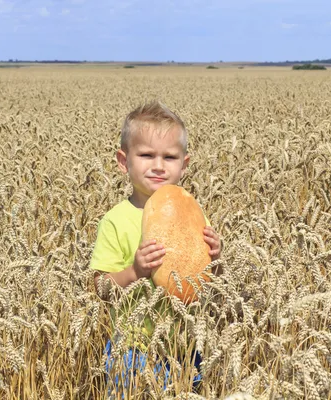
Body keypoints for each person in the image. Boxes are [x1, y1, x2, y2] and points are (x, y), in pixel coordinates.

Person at [90, 100, 222, 394]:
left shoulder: (193, 213)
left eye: (170, 157)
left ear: (184, 165)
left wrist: (216, 257)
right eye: (147, 155)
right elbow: (99, 287)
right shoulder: (115, 221)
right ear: (124, 162)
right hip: (132, 349)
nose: (159, 166)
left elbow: (205, 281)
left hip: (185, 347)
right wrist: (135, 271)